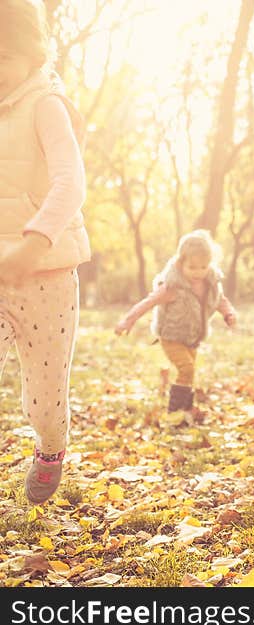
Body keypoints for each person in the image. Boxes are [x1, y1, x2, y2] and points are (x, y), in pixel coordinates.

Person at [0, 0, 91, 505]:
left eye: (3, 57)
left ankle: (51, 449)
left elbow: (69, 182)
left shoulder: (46, 106)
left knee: (44, 398)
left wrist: (35, 242)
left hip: (47, 275)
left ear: (32, 54)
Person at [115, 230, 237, 413]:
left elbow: (220, 300)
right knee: (186, 368)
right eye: (193, 267)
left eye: (203, 267)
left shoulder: (210, 283)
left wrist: (228, 314)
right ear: (181, 263)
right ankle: (174, 411)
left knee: (190, 372)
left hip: (193, 337)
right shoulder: (172, 286)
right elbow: (148, 303)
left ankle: (185, 410)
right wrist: (128, 321)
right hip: (171, 336)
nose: (198, 272)